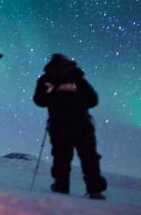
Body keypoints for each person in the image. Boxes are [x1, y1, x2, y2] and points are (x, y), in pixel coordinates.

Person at [33, 53, 107, 200]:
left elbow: (39, 101)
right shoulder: (77, 78)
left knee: (61, 156)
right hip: (82, 123)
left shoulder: (46, 79)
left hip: (58, 124)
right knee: (89, 156)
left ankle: (61, 187)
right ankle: (94, 190)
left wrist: (53, 96)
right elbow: (93, 100)